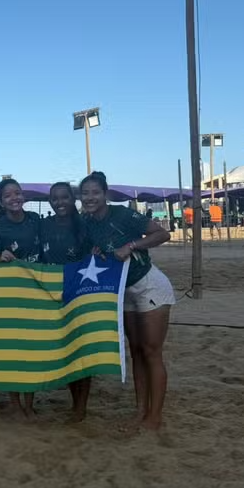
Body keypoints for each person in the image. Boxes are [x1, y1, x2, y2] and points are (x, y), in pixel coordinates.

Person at [80, 171, 173, 431]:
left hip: (149, 286)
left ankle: (155, 417)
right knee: (136, 353)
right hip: (123, 292)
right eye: (85, 193)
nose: (90, 198)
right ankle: (140, 411)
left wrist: (131, 246)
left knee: (152, 352)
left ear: (105, 194)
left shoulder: (122, 214)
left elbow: (161, 235)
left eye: (95, 192)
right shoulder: (87, 222)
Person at [0, 178, 42, 417]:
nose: (14, 198)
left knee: (31, 350)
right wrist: (0, 257)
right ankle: (15, 403)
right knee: (12, 349)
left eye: (17, 193)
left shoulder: (36, 220)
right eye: (8, 195)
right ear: (0, 201)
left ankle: (29, 403)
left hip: (35, 293)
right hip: (8, 295)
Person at [39, 182, 93, 422]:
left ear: (74, 199)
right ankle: (74, 402)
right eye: (55, 198)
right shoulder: (43, 225)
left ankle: (81, 406)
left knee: (81, 350)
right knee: (67, 351)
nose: (60, 202)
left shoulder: (86, 225)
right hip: (53, 297)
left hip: (81, 294)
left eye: (64, 197)